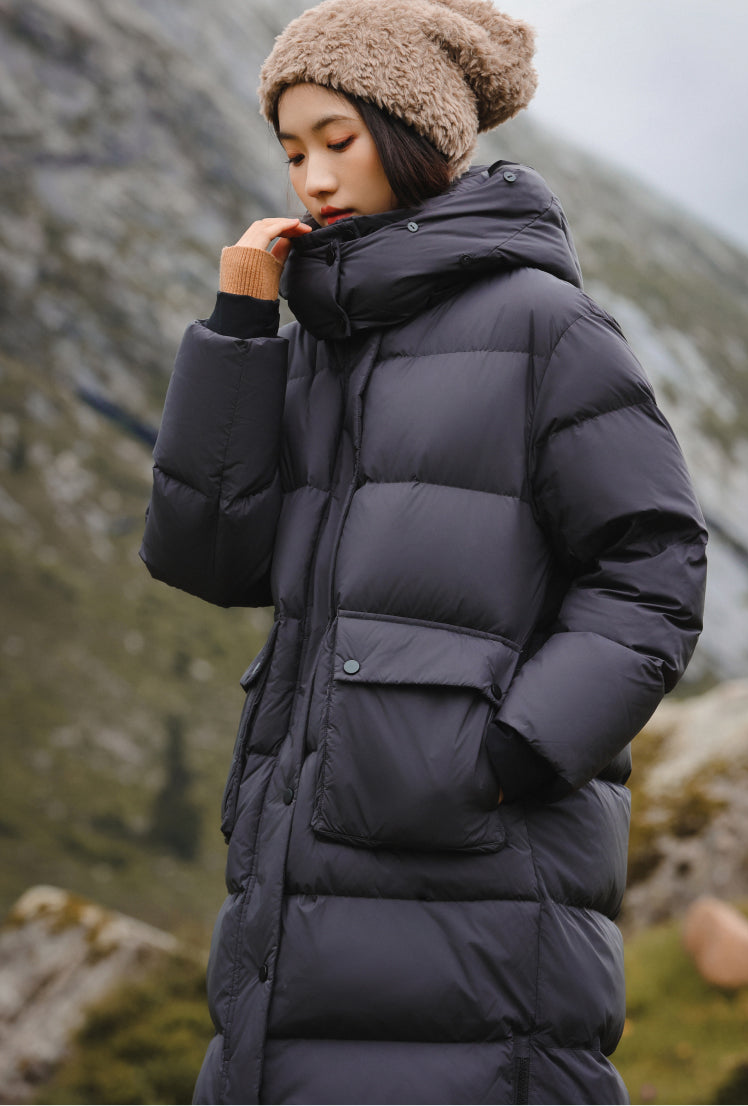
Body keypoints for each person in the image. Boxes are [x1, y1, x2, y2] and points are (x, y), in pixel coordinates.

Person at [140, 1, 707, 1102]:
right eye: (292, 151)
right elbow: (208, 556)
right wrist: (239, 332)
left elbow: (653, 566)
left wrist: (511, 753)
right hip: (292, 877)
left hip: (480, 883)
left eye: (338, 140)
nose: (312, 178)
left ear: (416, 133)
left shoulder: (545, 326)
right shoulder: (316, 347)